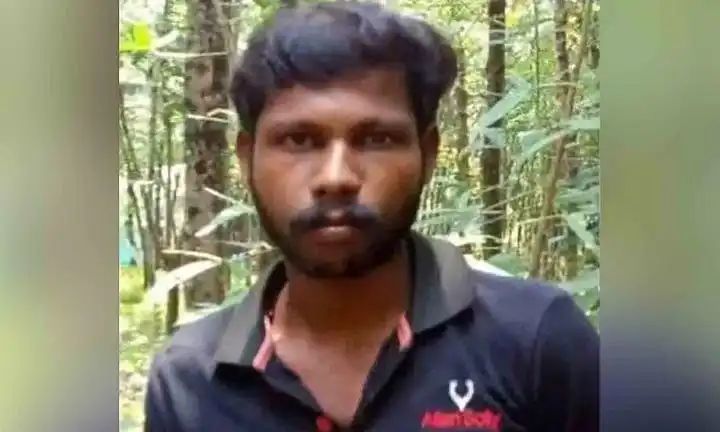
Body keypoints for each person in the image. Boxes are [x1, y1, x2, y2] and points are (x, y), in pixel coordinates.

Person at [144, 2, 598, 431]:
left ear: (428, 153)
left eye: (376, 139)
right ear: (247, 158)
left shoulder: (536, 340)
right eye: (299, 140)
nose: (336, 177)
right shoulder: (190, 379)